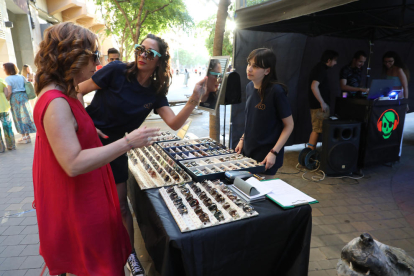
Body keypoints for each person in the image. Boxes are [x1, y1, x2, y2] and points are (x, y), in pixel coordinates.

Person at [33, 22, 159, 276]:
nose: (97, 63)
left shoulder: (63, 93)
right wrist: (127, 142)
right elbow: (73, 162)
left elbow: (72, 129)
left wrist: (89, 128)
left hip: (85, 196)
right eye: (94, 56)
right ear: (72, 56)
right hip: (82, 202)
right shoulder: (56, 101)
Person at [77, 34, 207, 276]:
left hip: (118, 145)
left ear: (159, 60)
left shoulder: (156, 91)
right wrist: (84, 123)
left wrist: (194, 99)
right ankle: (86, 257)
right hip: (88, 140)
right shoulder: (116, 70)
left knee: (122, 207)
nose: (142, 55)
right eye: (140, 49)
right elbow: (77, 91)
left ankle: (130, 257)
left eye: (150, 53)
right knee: (88, 203)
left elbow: (174, 123)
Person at [235, 48, 294, 178]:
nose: (249, 69)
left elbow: (289, 125)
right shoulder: (249, 87)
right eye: (249, 64)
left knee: (259, 194)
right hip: (248, 152)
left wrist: (274, 152)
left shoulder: (277, 91)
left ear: (267, 71)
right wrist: (242, 140)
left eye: (255, 66)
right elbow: (252, 120)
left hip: (267, 157)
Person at [306, 50, 338, 150]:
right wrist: (322, 102)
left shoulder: (319, 68)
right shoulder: (320, 69)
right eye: (335, 60)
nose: (335, 63)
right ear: (329, 60)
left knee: (318, 129)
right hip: (319, 106)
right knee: (317, 129)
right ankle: (310, 154)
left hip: (319, 105)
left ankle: (310, 153)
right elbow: (313, 86)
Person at [3, 62, 36, 144]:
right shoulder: (21, 77)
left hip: (15, 97)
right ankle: (27, 136)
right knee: (26, 115)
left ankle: (23, 136)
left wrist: (7, 99)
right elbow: (27, 85)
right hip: (24, 96)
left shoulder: (8, 79)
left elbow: (9, 91)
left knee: (18, 117)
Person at [0, 78, 15, 152]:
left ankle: (1, 148)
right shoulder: (1, 81)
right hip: (4, 106)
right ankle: (11, 145)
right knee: (7, 126)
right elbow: (6, 94)